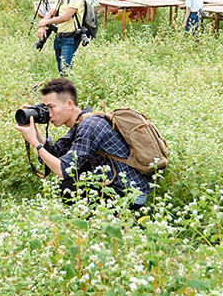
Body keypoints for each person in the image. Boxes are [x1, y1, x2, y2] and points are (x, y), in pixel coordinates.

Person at [14, 77, 154, 207]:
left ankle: (102, 224)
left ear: (69, 104)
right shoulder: (80, 121)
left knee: (69, 185)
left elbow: (63, 170)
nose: (48, 113)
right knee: (75, 173)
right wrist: (34, 129)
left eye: (51, 107)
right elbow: (56, 153)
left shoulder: (89, 125)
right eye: (45, 108)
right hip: (119, 185)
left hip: (130, 195)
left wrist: (34, 143)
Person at [37, 0, 85, 75]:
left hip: (70, 38)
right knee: (61, 70)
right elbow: (52, 12)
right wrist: (42, 25)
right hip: (59, 37)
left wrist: (45, 22)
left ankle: (69, 91)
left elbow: (66, 17)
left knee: (65, 71)